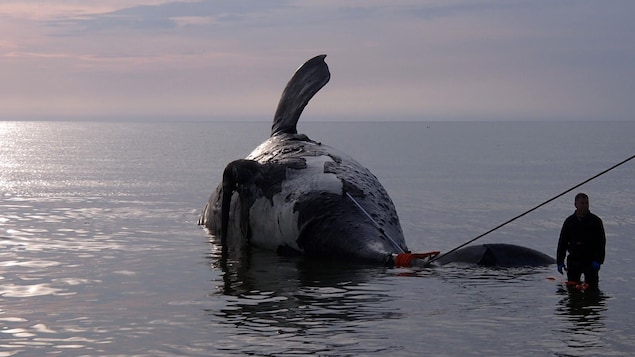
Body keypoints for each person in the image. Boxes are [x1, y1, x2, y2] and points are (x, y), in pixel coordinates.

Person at [556, 192, 606, 288]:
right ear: (576, 205)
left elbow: (601, 242)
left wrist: (599, 260)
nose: (584, 205)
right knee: (572, 288)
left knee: (592, 288)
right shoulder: (569, 221)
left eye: (586, 203)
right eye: (582, 203)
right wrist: (560, 261)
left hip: (590, 260)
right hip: (574, 259)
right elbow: (562, 242)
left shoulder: (595, 221)